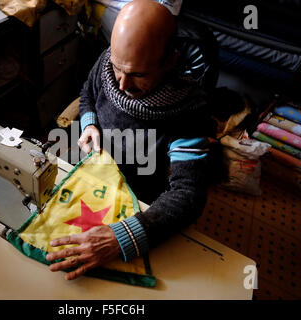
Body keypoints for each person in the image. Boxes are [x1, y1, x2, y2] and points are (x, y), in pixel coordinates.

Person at [46, 0, 215, 280]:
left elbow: (188, 195)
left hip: (136, 202)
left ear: (170, 60)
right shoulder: (108, 62)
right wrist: (89, 123)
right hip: (90, 178)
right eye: (118, 69)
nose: (122, 85)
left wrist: (120, 237)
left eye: (138, 74)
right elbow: (88, 92)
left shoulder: (189, 113)